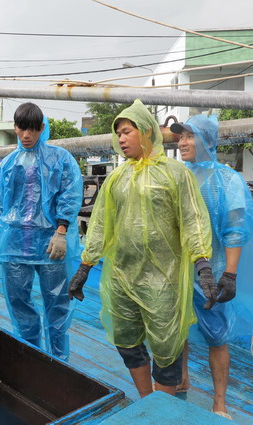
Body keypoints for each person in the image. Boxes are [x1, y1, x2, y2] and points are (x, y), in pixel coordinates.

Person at [68, 99, 214, 397]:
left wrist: (203, 265)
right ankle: (147, 401)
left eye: (126, 131)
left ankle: (162, 408)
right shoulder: (116, 178)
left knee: (166, 346)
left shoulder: (175, 173)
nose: (120, 139)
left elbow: (192, 219)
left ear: (147, 131)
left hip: (164, 279)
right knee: (126, 341)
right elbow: (99, 226)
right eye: (118, 133)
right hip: (123, 276)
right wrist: (84, 267)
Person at [172, 114, 253, 419]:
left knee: (216, 337)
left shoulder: (227, 179)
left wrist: (229, 275)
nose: (182, 143)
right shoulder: (179, 176)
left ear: (207, 140)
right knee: (178, 330)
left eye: (189, 136)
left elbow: (236, 230)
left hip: (214, 271)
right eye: (180, 137)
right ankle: (181, 379)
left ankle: (219, 400)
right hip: (180, 271)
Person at [0, 102, 83, 360]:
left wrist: (61, 231)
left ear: (42, 128)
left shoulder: (60, 158)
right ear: (16, 128)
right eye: (22, 128)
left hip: (51, 243)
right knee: (19, 304)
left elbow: (70, 194)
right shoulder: (8, 164)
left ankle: (58, 361)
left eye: (32, 129)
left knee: (57, 305)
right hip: (14, 243)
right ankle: (30, 357)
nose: (27, 135)